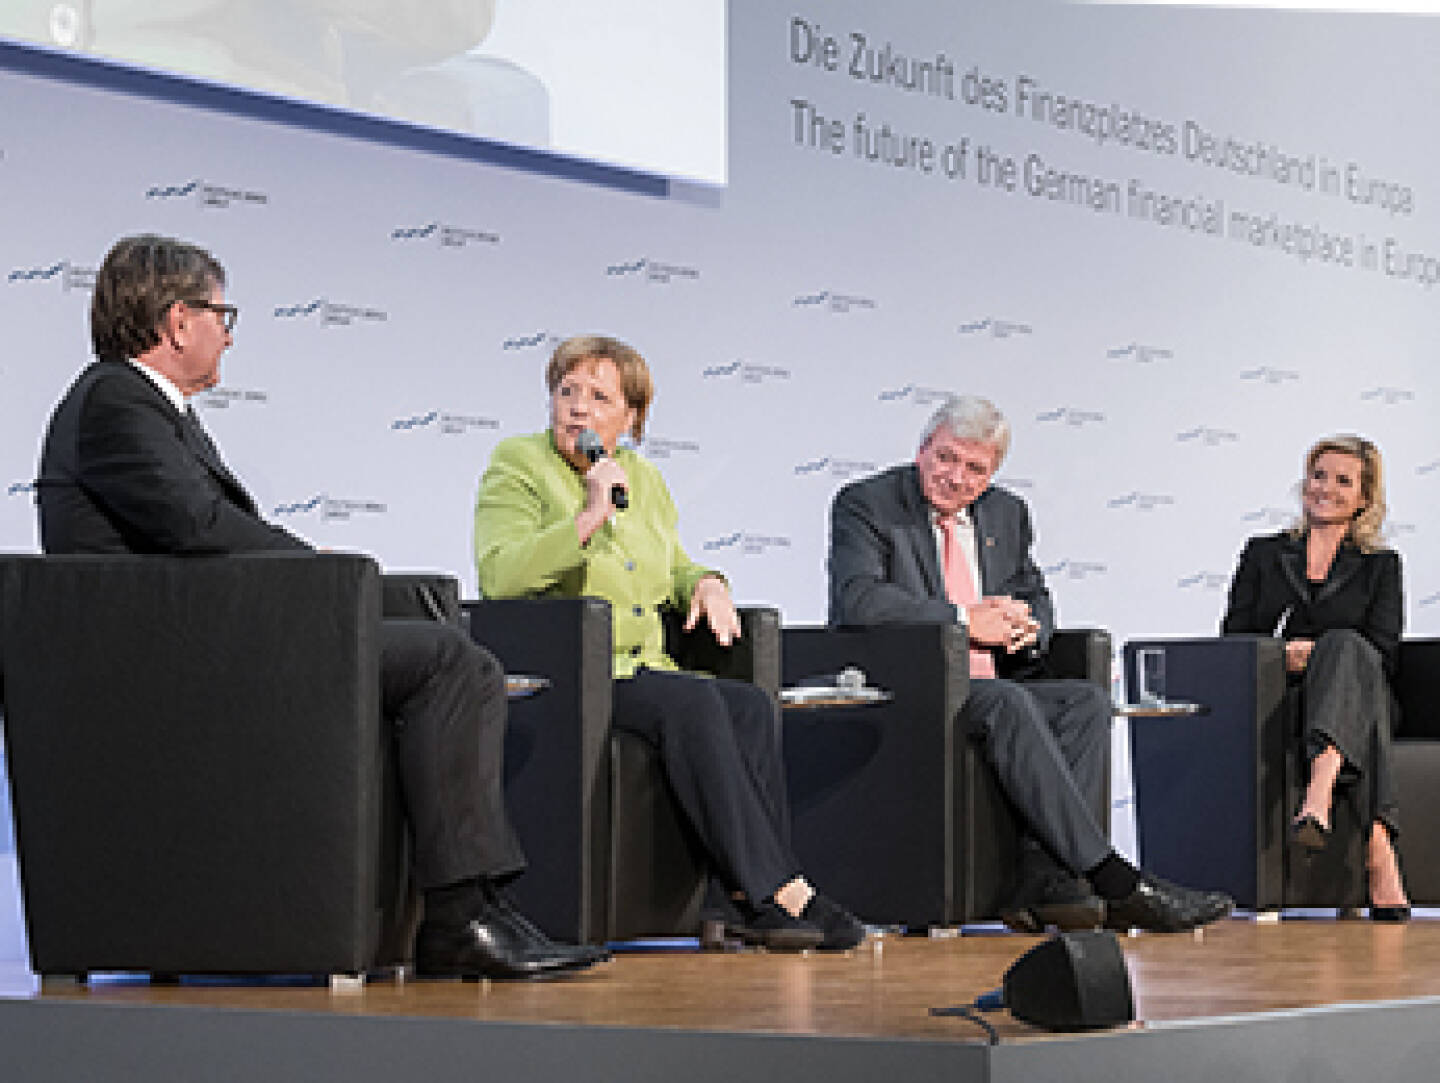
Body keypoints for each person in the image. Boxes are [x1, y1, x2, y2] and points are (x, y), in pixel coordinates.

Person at [35, 233, 604, 979]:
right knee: (448, 661)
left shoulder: (147, 407)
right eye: (219, 312)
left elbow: (202, 530)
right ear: (177, 321)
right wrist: (307, 569)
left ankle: (478, 907)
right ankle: (461, 915)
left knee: (435, 641)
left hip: (206, 636)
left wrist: (310, 570)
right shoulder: (114, 399)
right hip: (167, 665)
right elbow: (195, 526)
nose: (228, 332)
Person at [473, 334, 865, 951]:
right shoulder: (517, 463)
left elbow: (670, 563)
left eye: (598, 397)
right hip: (572, 670)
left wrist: (707, 582)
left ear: (631, 419)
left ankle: (738, 900)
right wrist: (587, 517)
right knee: (693, 702)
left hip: (641, 666)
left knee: (748, 704)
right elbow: (500, 574)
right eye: (565, 391)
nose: (577, 408)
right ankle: (776, 891)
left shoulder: (644, 478)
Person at [829, 394, 1233, 934]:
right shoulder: (867, 503)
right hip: (915, 685)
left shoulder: (1005, 513)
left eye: (976, 468)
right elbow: (858, 600)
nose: (956, 477)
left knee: (1084, 701)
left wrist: (1026, 625)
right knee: (1006, 700)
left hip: (993, 682)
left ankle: (1050, 883)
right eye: (946, 458)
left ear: (993, 473)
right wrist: (964, 620)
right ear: (922, 449)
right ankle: (1115, 881)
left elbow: (1032, 591)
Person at [1221, 435, 1409, 920]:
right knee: (1344, 655)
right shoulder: (1264, 553)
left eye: (1342, 480)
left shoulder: (1381, 566)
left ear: (1365, 498)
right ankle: (1378, 849)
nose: (1324, 488)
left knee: (1347, 647)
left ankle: (1318, 791)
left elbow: (1384, 650)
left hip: (1361, 689)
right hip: (1281, 695)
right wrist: (1280, 655)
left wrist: (1325, 654)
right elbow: (1234, 638)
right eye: (1318, 475)